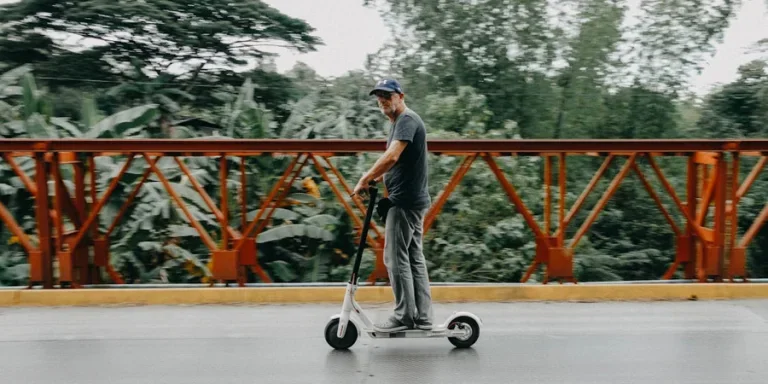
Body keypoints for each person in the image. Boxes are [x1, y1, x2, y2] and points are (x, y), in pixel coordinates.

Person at [351, 79, 433, 332]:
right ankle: (423, 316)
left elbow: (392, 155)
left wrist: (365, 178)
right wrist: (376, 179)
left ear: (400, 96)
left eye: (387, 95)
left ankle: (404, 316)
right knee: (413, 257)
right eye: (379, 96)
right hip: (412, 200)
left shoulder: (406, 119)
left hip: (404, 201)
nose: (383, 100)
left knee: (395, 259)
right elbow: (399, 161)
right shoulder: (401, 122)